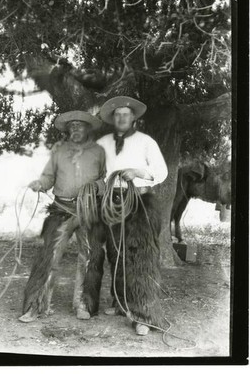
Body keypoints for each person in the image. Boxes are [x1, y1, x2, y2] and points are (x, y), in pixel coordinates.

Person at [81, 96, 168, 335]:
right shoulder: (103, 143)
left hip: (139, 200)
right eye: (117, 115)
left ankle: (145, 316)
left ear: (133, 117)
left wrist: (140, 171)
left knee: (140, 257)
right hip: (110, 202)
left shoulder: (146, 142)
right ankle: (120, 303)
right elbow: (94, 171)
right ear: (113, 119)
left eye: (126, 114)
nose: (121, 118)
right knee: (115, 252)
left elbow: (161, 172)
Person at [18, 110, 105, 323]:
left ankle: (84, 304)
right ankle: (36, 305)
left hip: (89, 211)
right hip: (60, 208)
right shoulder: (58, 150)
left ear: (88, 128)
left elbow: (105, 179)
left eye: (80, 125)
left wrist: (95, 185)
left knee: (89, 257)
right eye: (72, 126)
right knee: (49, 255)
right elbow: (48, 176)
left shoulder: (99, 151)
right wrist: (41, 184)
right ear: (68, 130)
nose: (76, 129)